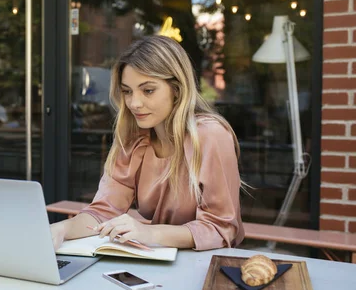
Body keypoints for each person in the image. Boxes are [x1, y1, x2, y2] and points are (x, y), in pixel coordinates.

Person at [50, 35, 245, 251]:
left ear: (177, 89)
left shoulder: (210, 136)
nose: (134, 103)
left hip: (206, 264)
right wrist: (61, 229)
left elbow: (221, 228)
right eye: (127, 91)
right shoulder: (134, 138)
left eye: (148, 90)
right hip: (157, 259)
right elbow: (103, 211)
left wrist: (149, 232)